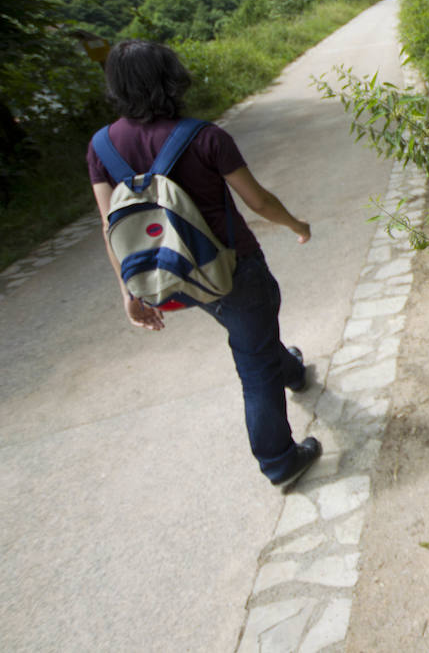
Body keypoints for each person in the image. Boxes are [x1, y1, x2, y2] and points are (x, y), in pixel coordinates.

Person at [87, 39, 321, 492]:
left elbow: (108, 225)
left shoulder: (101, 147)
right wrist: (297, 224)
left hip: (171, 272)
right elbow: (258, 201)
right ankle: (279, 460)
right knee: (254, 360)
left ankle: (292, 371)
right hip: (231, 268)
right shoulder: (204, 137)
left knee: (250, 332)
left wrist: (129, 291)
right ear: (171, 77)